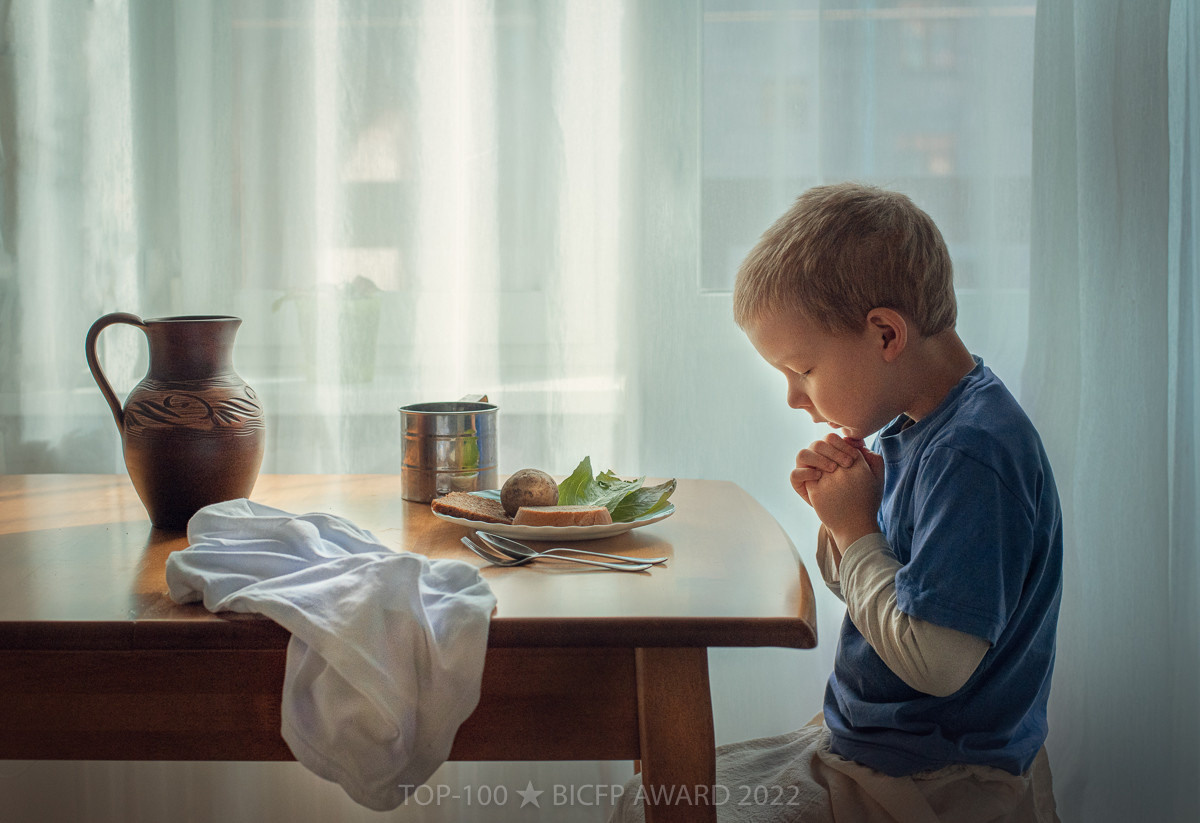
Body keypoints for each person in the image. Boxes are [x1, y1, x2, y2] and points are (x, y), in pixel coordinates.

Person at [608, 183, 1062, 823]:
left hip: (937, 776)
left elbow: (936, 661)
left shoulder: (972, 453)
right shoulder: (916, 426)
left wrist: (854, 532)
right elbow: (873, 593)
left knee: (654, 808)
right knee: (649, 799)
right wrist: (841, 520)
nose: (794, 397)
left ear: (884, 334)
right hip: (879, 746)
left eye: (803, 370)